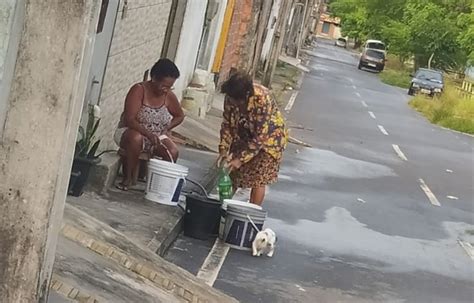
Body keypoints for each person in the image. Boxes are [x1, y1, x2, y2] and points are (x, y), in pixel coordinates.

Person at [218, 71, 288, 206]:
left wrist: (241, 159)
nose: (232, 102)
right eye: (230, 99)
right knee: (232, 173)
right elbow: (227, 123)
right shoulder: (231, 96)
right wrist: (223, 149)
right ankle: (222, 208)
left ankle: (251, 212)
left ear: (245, 96)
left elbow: (260, 137)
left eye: (235, 101)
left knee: (258, 177)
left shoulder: (262, 99)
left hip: (269, 138)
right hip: (244, 132)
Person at [115, 59, 185, 191]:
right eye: (163, 86)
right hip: (131, 132)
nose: (166, 90)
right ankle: (128, 178)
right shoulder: (138, 90)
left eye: (169, 87)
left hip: (157, 135)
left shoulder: (168, 95)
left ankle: (161, 186)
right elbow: (130, 119)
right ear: (154, 79)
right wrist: (148, 133)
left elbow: (179, 115)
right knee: (136, 138)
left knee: (173, 151)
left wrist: (167, 128)